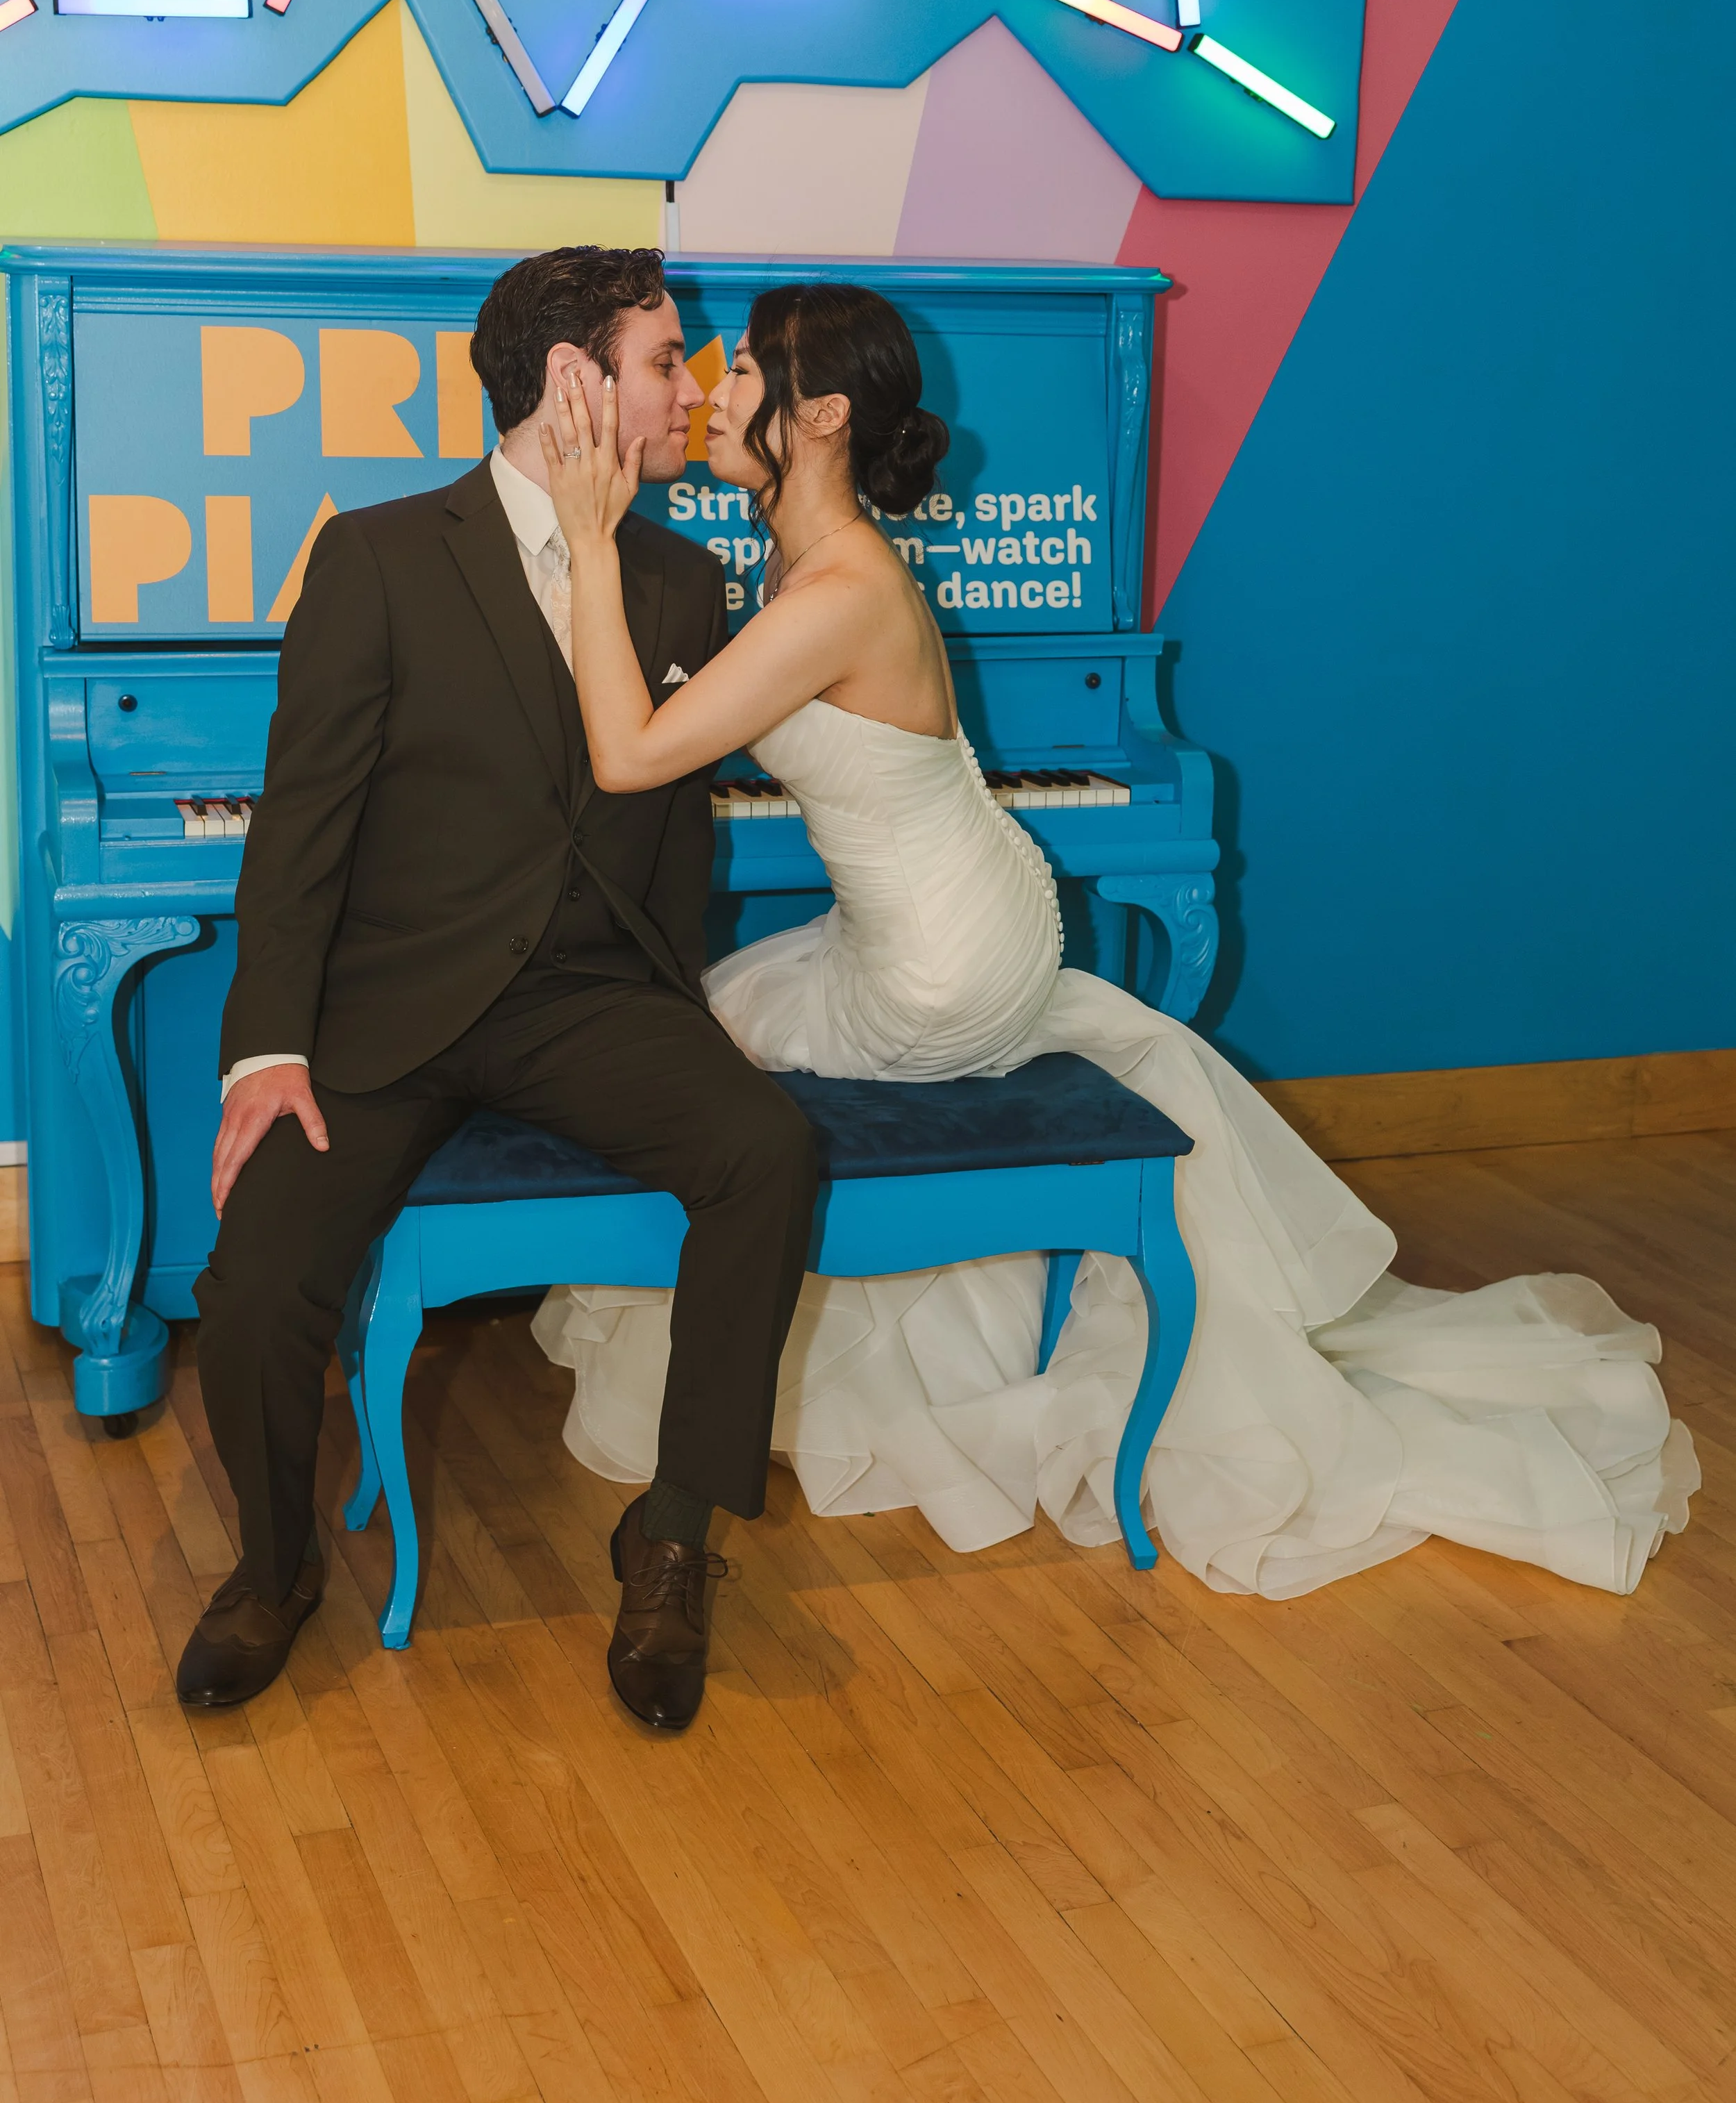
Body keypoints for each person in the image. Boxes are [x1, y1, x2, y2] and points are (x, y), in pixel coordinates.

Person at [533, 281, 1699, 1602]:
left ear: (821, 416)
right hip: (971, 922)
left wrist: (582, 534)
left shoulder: (837, 590)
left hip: (938, 965)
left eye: (739, 370)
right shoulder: (821, 562)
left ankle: (774, 1339)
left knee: (698, 1037)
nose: (711, 389)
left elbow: (633, 753)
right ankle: (892, 1319)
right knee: (739, 1002)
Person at [181, 248, 818, 1728]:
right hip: (385, 1016)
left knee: (763, 1149)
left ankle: (670, 1536)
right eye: (669, 360)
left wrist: (678, 1005)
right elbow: (301, 826)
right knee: (258, 1284)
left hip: (587, 1002)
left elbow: (665, 820)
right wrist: (266, 1050)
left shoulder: (677, 573)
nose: (696, 388)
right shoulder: (382, 557)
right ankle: (271, 1572)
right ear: (574, 381)